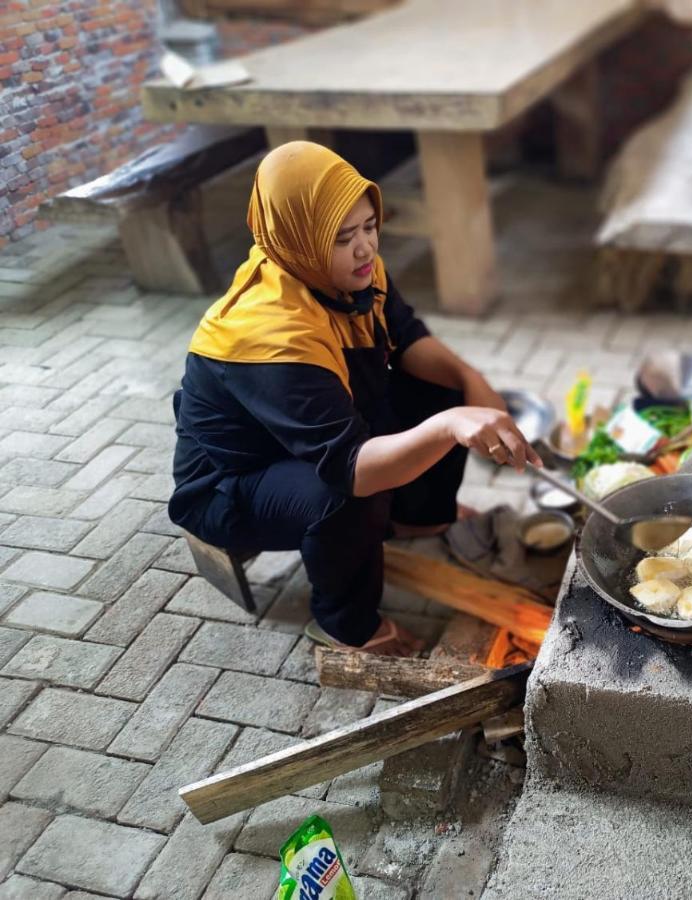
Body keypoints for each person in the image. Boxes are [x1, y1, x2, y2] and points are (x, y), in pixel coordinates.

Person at [168, 141, 540, 656]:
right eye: (343, 238)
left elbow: (406, 337)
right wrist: (451, 424)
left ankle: (417, 517)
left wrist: (469, 381)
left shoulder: (347, 273)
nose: (365, 248)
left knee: (445, 388)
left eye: (369, 226)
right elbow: (351, 468)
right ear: (299, 238)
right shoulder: (269, 333)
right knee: (346, 495)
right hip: (236, 482)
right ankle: (344, 624)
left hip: (314, 435)